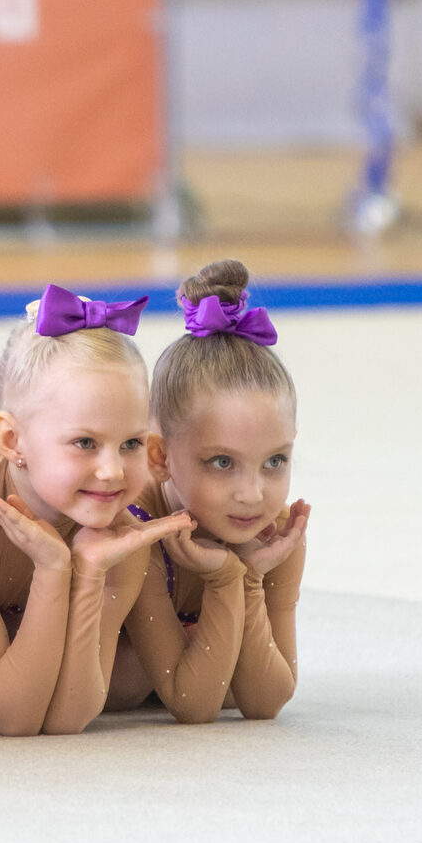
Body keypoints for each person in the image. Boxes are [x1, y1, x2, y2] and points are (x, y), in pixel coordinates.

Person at [0, 285, 191, 735]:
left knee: (125, 681)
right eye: (84, 443)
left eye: (130, 443)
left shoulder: (120, 528)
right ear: (13, 441)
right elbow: (12, 718)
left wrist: (88, 576)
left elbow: (71, 716)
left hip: (9, 595)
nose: (111, 472)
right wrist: (52, 570)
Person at [109, 259, 309, 722]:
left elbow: (266, 701)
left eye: (275, 461)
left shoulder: (276, 530)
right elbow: (192, 704)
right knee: (125, 681)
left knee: (232, 683)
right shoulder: (140, 529)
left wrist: (252, 579)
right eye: (223, 463)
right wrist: (224, 580)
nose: (253, 494)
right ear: (159, 458)